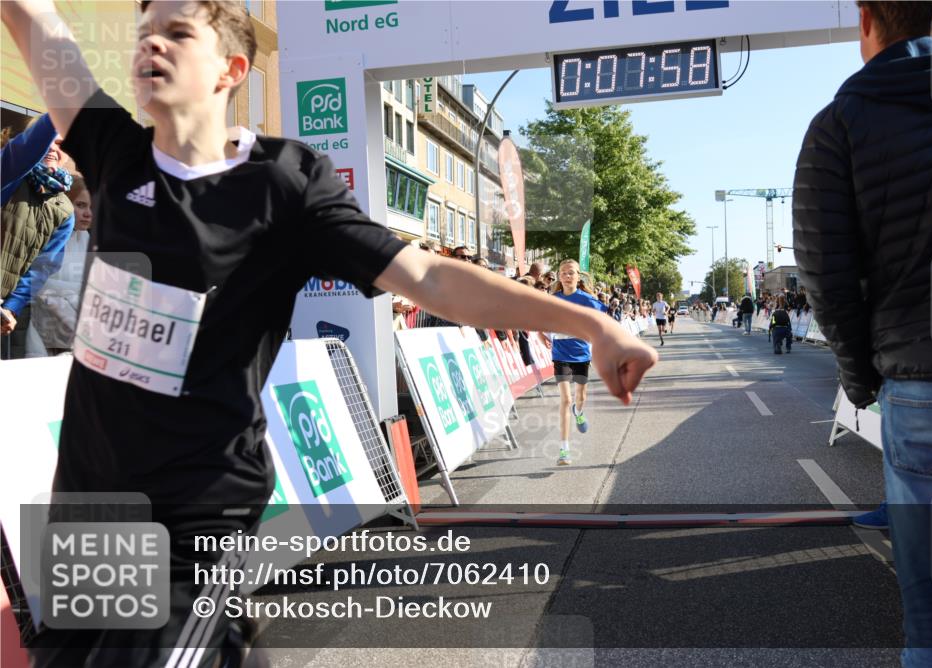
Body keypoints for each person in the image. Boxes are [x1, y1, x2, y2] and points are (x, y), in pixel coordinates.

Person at [2, 1, 658, 664]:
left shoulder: (283, 184)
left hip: (192, 517)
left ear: (231, 69)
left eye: (176, 33)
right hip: (88, 506)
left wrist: (590, 322)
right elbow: (36, 21)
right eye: (144, 33)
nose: (152, 46)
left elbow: (429, 279)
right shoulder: (115, 152)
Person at [793, 2, 932, 666]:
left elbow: (826, 273)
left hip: (928, 389)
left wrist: (862, 379)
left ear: (866, 20)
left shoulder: (840, 123)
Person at [1, 114, 75, 358]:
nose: (53, 148)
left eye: (60, 144)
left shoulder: (65, 211)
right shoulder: (8, 173)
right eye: (48, 140)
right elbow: (23, 152)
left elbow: (41, 268)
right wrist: (59, 109)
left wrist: (12, 307)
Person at [539, 259, 607, 466]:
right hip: (560, 353)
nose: (567, 276)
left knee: (580, 398)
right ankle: (564, 449)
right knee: (566, 400)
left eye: (571, 273)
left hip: (581, 354)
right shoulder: (553, 299)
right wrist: (541, 333)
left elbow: (603, 320)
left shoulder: (587, 299)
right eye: (563, 273)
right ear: (559, 276)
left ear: (579, 276)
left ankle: (579, 412)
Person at [27, 174, 92, 355]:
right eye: (81, 205)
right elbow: (37, 285)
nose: (88, 213)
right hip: (42, 327)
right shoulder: (47, 235)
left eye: (92, 207)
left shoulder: (85, 237)